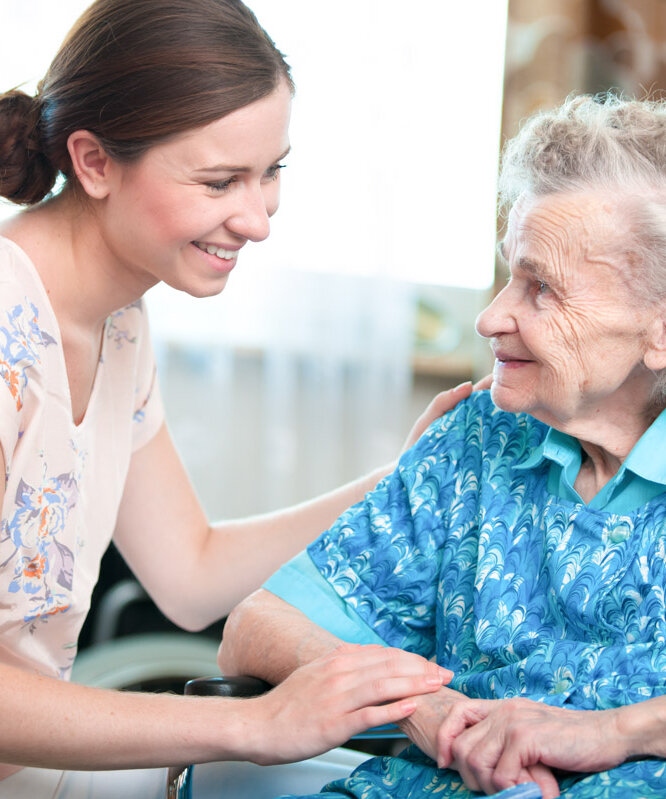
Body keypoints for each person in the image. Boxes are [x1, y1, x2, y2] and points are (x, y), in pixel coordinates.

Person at [0, 0, 474, 795]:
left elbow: (190, 571)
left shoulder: (118, 322)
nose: (256, 220)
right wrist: (253, 724)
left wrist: (404, 476)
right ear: (93, 161)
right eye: (220, 180)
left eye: (272, 171)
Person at [219, 93, 666, 799]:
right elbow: (256, 627)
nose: (492, 318)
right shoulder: (480, 437)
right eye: (509, 273)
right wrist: (426, 708)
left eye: (541, 288)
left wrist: (609, 733)